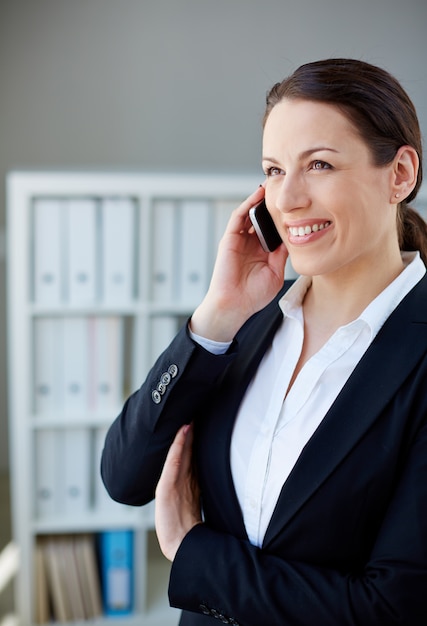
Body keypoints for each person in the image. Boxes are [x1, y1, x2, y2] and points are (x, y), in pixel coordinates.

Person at [101, 58, 427, 625]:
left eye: (318, 164)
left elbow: (393, 608)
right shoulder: (248, 323)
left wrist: (195, 553)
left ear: (399, 173)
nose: (288, 198)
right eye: (274, 171)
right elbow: (124, 477)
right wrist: (216, 317)